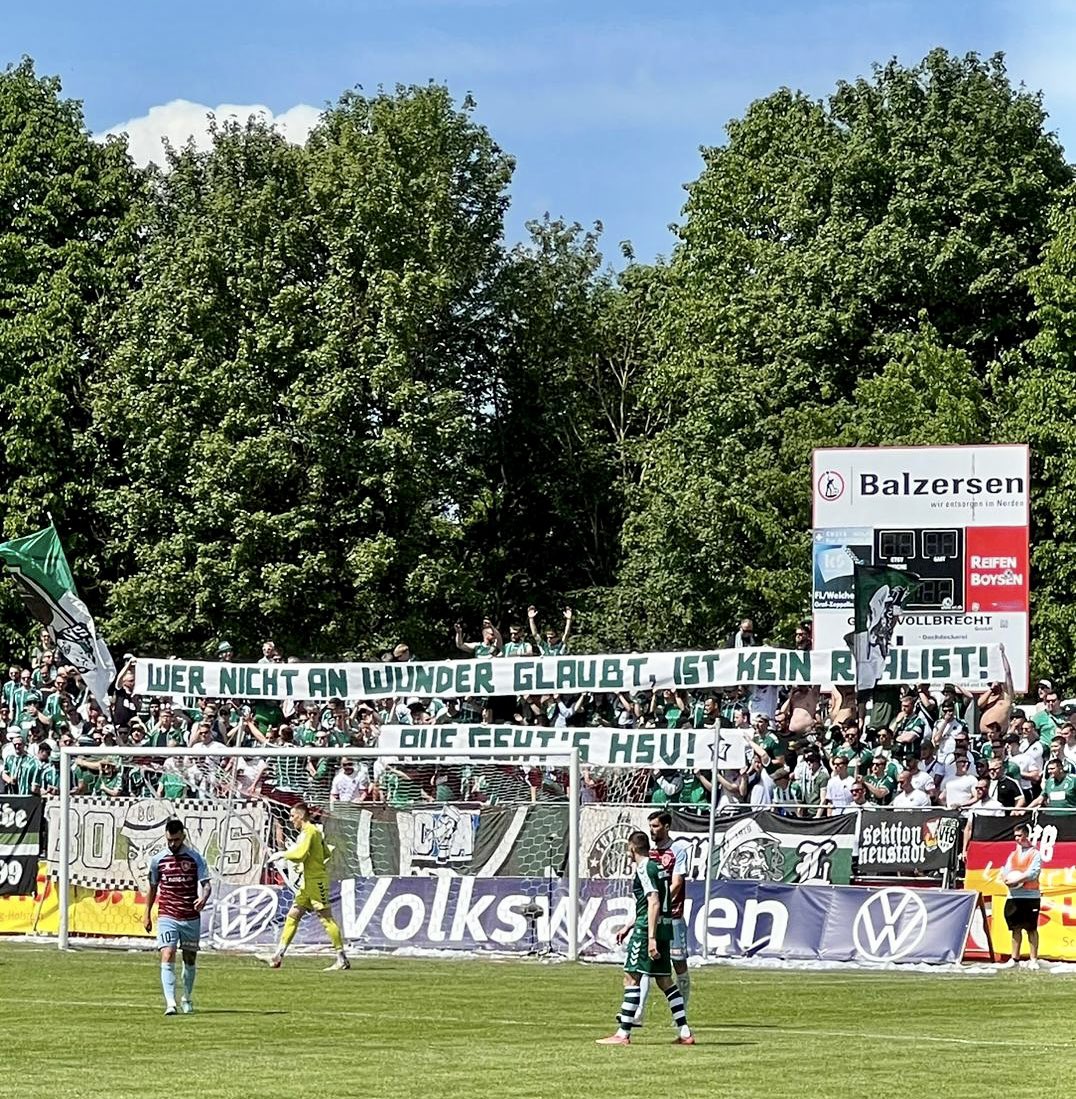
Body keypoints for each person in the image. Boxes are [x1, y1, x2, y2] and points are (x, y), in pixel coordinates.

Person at [596, 830, 694, 1046]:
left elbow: (654, 902)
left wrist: (650, 938)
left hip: (648, 931)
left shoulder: (644, 868)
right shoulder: (658, 866)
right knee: (665, 981)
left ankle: (623, 1034)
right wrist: (627, 926)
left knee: (631, 978)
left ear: (631, 848)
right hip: (664, 928)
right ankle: (685, 1032)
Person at [267, 802, 349, 971]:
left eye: (292, 816)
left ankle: (342, 959)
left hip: (315, 880)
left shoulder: (309, 831)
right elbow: (325, 852)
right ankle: (278, 955)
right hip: (307, 882)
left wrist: (281, 854)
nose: (290, 820)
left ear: (301, 815)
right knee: (293, 915)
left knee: (325, 918)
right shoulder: (313, 831)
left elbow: (300, 855)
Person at [143, 818, 211, 1016]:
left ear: (183, 836)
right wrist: (146, 914)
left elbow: (206, 884)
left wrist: (203, 898)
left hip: (190, 916)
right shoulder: (158, 860)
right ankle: (170, 1003)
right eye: (169, 840)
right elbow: (153, 888)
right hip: (167, 914)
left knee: (189, 959)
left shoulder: (195, 858)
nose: (173, 844)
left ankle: (187, 998)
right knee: (167, 953)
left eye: (176, 840)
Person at [633, 810, 692, 1026]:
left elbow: (677, 883)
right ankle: (638, 1012)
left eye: (656, 826)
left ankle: (682, 1013)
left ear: (667, 826)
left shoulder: (678, 851)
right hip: (652, 916)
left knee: (678, 963)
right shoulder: (647, 853)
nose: (652, 830)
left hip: (673, 917)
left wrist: (662, 904)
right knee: (648, 964)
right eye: (650, 826)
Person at [999, 824, 1042, 970]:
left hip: (1030, 896)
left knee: (1031, 928)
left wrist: (1017, 880)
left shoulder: (1035, 853)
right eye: (1015, 835)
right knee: (1015, 928)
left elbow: (1033, 873)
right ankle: (1014, 958)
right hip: (1013, 896)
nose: (1017, 838)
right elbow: (1006, 870)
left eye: (1019, 835)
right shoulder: (1013, 855)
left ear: (1026, 835)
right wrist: (1005, 879)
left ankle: (1033, 959)